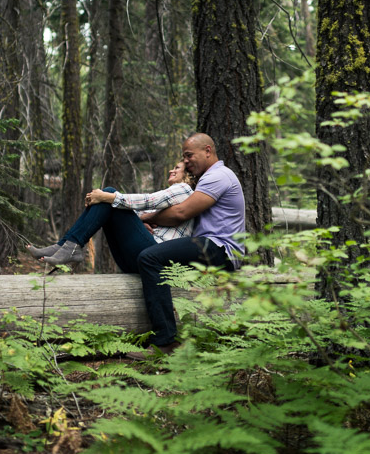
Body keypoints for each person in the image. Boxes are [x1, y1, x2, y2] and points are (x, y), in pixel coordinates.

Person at [126, 133, 246, 360]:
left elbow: (181, 213)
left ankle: (165, 342)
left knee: (149, 258)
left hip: (220, 249)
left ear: (208, 151)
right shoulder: (211, 178)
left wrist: (144, 218)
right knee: (152, 257)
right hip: (209, 246)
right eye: (184, 157)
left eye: (189, 155)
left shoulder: (219, 176)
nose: (187, 161)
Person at [26, 162, 195, 271]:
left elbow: (148, 201)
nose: (171, 170)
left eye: (177, 168)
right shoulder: (175, 194)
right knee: (107, 201)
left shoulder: (184, 189)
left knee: (108, 194)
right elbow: (136, 214)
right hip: (141, 260)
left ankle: (68, 246)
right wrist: (101, 202)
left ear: (187, 175)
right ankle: (65, 246)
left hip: (156, 257)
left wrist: (107, 197)